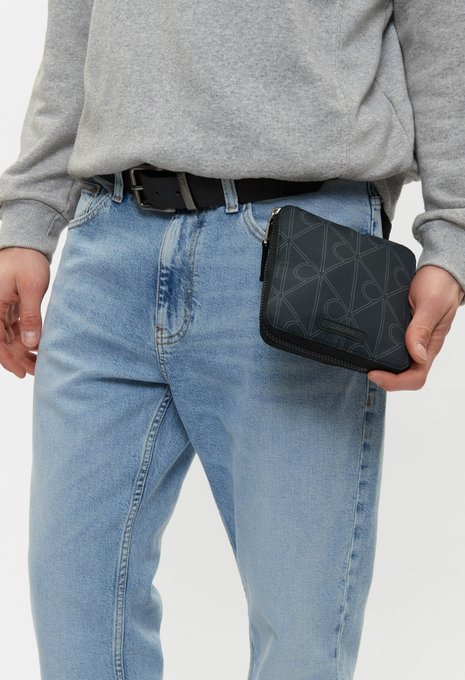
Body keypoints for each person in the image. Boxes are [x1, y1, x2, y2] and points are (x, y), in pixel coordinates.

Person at [0, 1, 464, 679]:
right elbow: (77, 22)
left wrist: (453, 232)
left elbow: (444, 30)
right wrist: (29, 216)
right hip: (108, 241)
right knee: (76, 607)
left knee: (298, 631)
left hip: (301, 249)